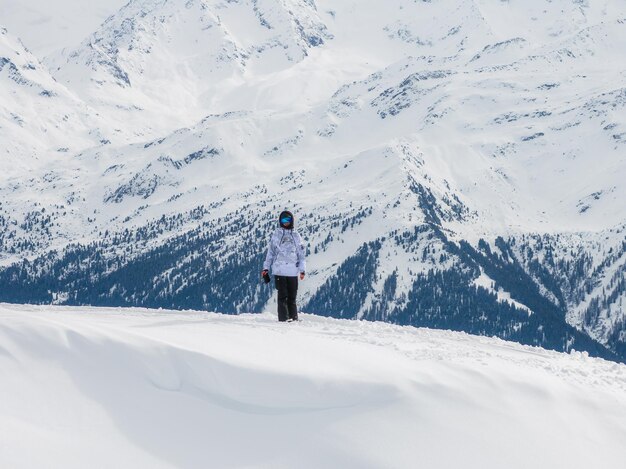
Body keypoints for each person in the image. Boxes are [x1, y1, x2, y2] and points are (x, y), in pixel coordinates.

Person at [261, 210, 306, 322]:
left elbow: (301, 254)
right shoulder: (277, 235)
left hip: (292, 271)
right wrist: (265, 268)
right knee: (283, 296)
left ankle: (293, 318)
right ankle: (284, 319)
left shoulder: (296, 236)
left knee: (292, 297)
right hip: (279, 270)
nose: (286, 223)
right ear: (280, 221)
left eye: (288, 220)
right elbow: (270, 253)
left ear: (292, 221)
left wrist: (302, 270)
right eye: (283, 220)